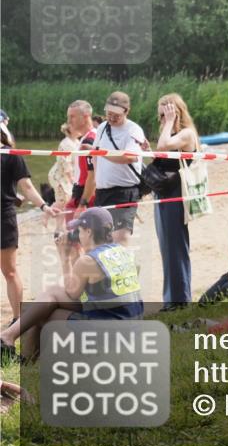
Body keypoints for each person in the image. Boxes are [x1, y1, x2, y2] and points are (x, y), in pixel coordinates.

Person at [0, 207, 142, 365]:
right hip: (131, 328)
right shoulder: (124, 252)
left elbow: (71, 292)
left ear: (88, 232)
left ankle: (15, 349)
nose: (78, 235)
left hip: (111, 335)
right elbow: (92, 289)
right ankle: (11, 342)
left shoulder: (88, 261)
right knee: (50, 296)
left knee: (44, 312)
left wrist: (64, 257)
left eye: (79, 231)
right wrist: (76, 256)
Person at [0, 121, 56, 325]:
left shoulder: (11, 155)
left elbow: (27, 186)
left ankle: (17, 318)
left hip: (3, 218)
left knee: (10, 271)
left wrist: (44, 207)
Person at [153, 93, 199, 309]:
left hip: (176, 195)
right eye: (161, 116)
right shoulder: (170, 133)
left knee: (176, 247)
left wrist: (170, 123)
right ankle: (171, 298)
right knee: (167, 248)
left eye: (166, 114)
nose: (162, 120)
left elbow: (163, 147)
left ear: (176, 113)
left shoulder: (187, 133)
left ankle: (179, 300)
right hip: (164, 194)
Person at [90, 92, 147, 247]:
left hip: (124, 191)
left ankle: (125, 270)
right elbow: (94, 153)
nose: (112, 118)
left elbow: (129, 156)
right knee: (101, 241)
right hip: (102, 191)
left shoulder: (133, 130)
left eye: (117, 115)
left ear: (126, 112)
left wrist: (103, 153)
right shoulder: (102, 127)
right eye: (109, 114)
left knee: (120, 240)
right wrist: (97, 176)